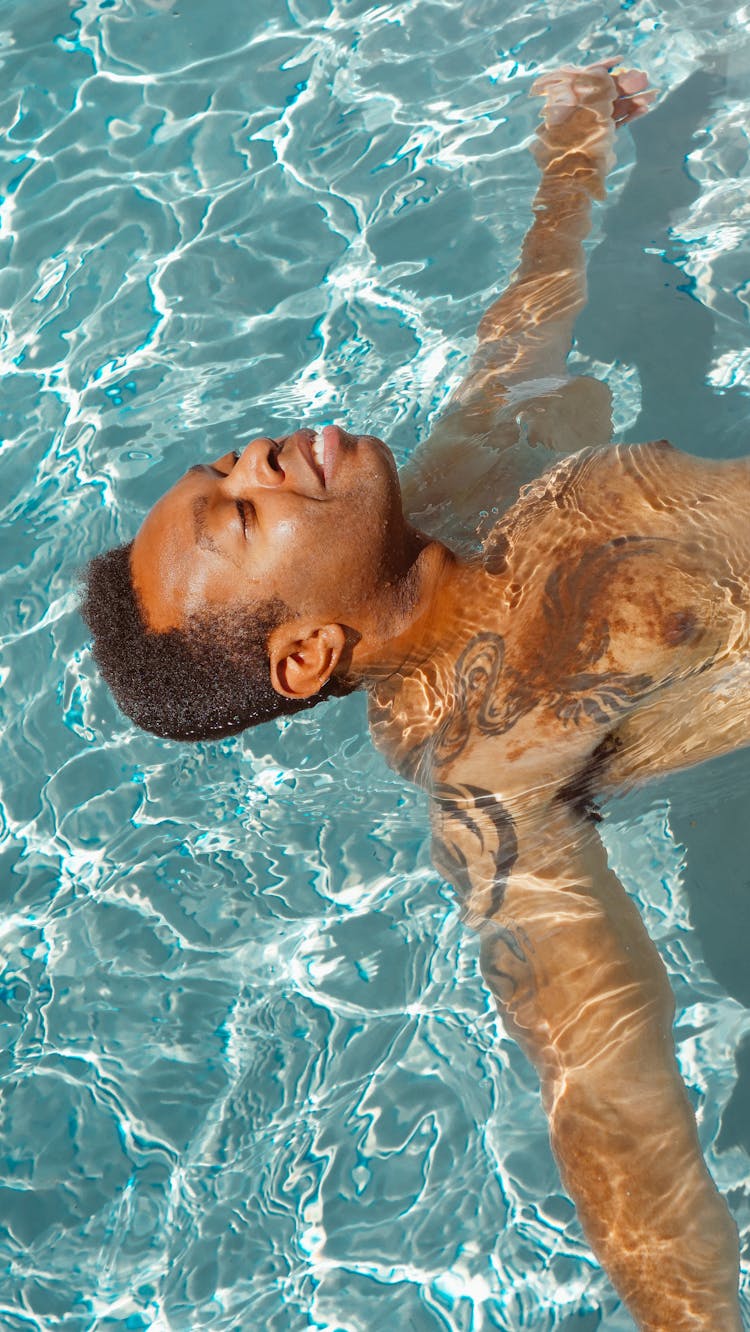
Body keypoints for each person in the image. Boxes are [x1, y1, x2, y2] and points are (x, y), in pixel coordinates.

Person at [81, 63, 749, 1330]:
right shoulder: (490, 766)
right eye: (241, 509)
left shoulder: (460, 474)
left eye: (224, 464)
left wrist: (575, 150)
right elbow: (599, 1080)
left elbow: (530, 313)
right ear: (304, 657)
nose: (263, 458)